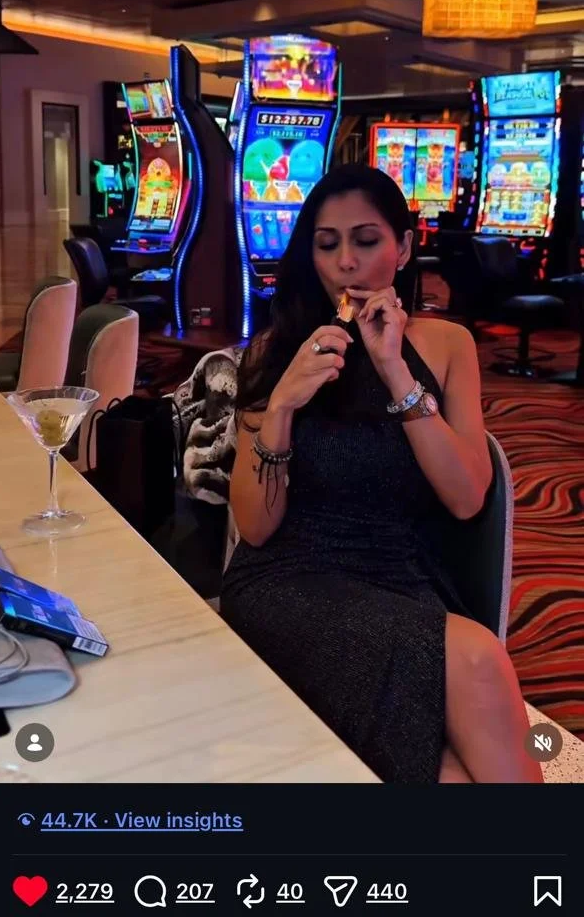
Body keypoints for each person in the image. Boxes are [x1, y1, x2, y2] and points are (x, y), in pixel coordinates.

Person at [220, 164, 543, 784]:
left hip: (402, 577)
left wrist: (396, 370)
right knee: (478, 661)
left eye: (366, 240)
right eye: (326, 242)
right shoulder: (274, 349)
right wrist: (282, 405)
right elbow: (255, 530)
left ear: (404, 247)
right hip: (288, 581)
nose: (345, 261)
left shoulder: (446, 345)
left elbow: (469, 497)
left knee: (451, 769)